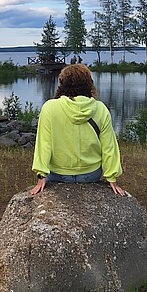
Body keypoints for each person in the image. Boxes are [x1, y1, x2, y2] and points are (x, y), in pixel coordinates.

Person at [30, 63, 126, 196]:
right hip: (90, 174)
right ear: (89, 84)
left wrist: (41, 176)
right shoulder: (100, 109)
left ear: (62, 83)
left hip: (58, 174)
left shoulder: (49, 108)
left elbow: (44, 144)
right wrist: (112, 178)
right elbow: (109, 147)